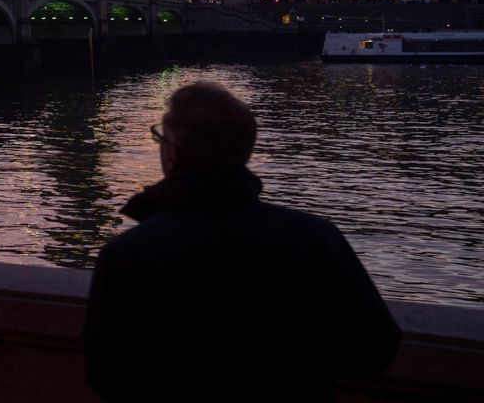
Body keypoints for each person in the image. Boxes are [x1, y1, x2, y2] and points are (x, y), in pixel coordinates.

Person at [83, 82, 399, 402]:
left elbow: (105, 373)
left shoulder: (127, 254)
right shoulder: (315, 236)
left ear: (173, 155)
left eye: (160, 139)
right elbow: (375, 350)